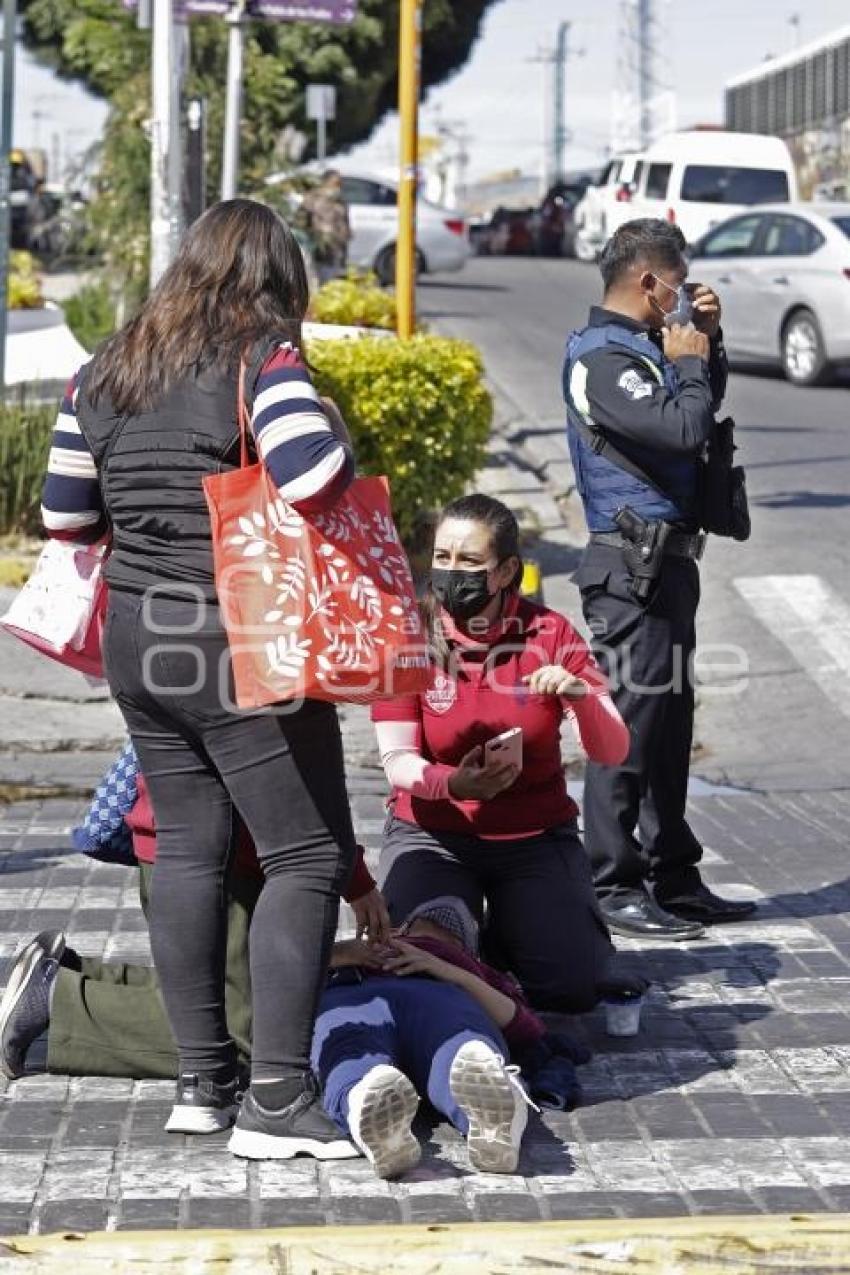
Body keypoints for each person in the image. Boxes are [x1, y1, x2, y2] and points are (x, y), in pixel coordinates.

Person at [38, 199, 364, 1159]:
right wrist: (332, 425)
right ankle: (276, 1102)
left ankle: (202, 1083)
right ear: (273, 281)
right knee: (305, 856)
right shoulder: (261, 357)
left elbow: (65, 516)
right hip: (234, 638)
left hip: (138, 639)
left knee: (187, 848)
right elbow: (313, 481)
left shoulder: (105, 366)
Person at [562, 218, 756, 940]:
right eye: (676, 281)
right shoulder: (600, 361)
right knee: (628, 729)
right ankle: (612, 882)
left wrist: (708, 344)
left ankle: (673, 872)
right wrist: (687, 360)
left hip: (670, 561)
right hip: (629, 570)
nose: (681, 293)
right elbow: (679, 428)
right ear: (649, 281)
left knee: (671, 726)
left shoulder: (645, 348)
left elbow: (697, 415)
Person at [371, 493, 632, 1013]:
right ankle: (470, 941)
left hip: (534, 838)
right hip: (434, 836)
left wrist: (580, 699)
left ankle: (505, 938)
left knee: (571, 989)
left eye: (469, 561)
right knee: (420, 969)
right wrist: (452, 785)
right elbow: (397, 761)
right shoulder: (409, 634)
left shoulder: (549, 631)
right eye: (443, 558)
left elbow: (614, 747)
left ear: (506, 569)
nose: (450, 572)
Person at [0, 756, 389, 1095]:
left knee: (213, 987)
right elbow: (280, 774)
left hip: (186, 836)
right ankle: (60, 1003)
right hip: (222, 850)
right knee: (252, 1035)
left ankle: (70, 975)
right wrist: (350, 875)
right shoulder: (246, 680)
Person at [299, 170, 351, 281]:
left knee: (337, 277)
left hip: (338, 245)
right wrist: (312, 236)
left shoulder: (340, 200)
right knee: (320, 276)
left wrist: (346, 236)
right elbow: (302, 221)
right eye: (336, 183)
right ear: (325, 182)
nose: (338, 187)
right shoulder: (312, 198)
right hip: (321, 246)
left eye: (340, 184)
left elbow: (344, 221)